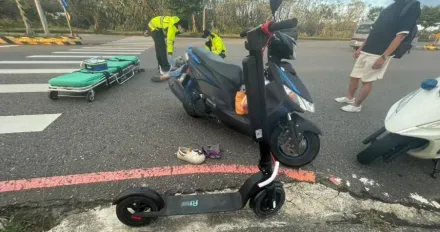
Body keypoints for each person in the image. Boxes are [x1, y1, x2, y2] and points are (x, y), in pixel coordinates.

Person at [334, 0, 421, 113]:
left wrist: (384, 57)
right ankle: (349, 98)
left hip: (379, 53)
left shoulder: (411, 5)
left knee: (367, 80)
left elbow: (401, 36)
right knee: (354, 76)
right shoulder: (390, 7)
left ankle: (356, 105)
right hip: (367, 49)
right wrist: (360, 48)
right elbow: (373, 32)